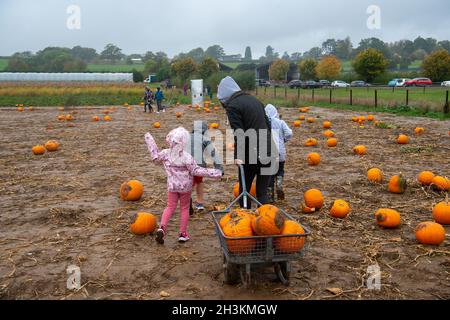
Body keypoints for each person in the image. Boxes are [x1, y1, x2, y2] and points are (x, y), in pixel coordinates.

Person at [145, 128, 222, 244]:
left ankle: (162, 228)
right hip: (185, 188)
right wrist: (216, 172)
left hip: (172, 186)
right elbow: (196, 171)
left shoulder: (165, 153)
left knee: (170, 207)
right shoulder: (187, 157)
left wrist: (149, 139)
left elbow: (155, 158)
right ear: (185, 142)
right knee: (184, 208)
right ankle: (182, 234)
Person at [217, 76, 276, 208]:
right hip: (268, 150)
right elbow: (268, 125)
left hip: (252, 154)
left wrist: (239, 156)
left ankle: (246, 216)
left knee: (244, 191)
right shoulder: (255, 100)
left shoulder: (233, 106)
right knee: (262, 193)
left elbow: (240, 133)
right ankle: (265, 224)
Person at [189, 121, 224, 212]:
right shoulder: (205, 139)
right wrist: (219, 168)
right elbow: (214, 154)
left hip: (184, 164)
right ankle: (200, 203)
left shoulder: (185, 136)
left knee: (188, 183)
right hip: (198, 165)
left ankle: (187, 200)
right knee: (199, 182)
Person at [265, 104, 293, 202]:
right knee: (280, 169)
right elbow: (289, 133)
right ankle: (279, 183)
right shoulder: (280, 122)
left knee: (270, 174)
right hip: (280, 152)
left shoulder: (263, 122)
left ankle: (270, 196)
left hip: (268, 152)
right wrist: (284, 140)